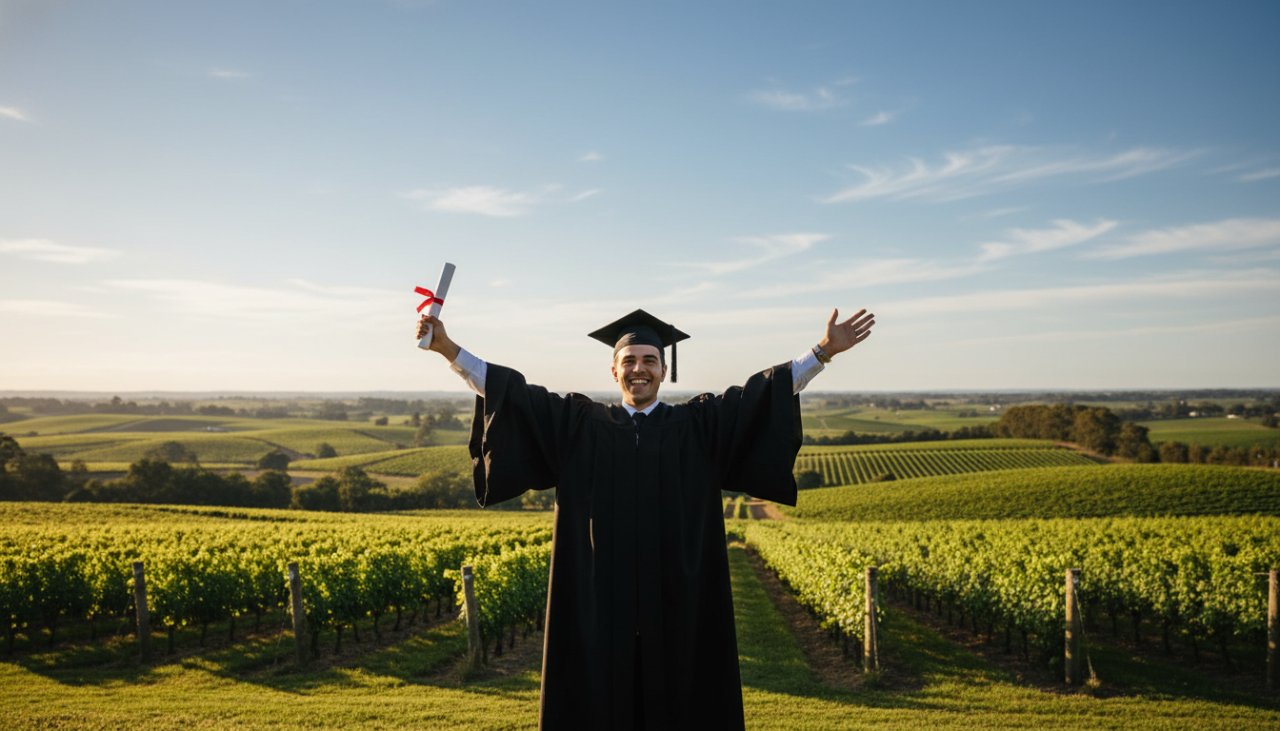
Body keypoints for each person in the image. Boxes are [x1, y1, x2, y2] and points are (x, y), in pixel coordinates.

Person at [417, 307, 874, 730]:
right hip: (598, 600)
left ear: (664, 370)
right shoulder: (579, 424)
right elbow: (509, 394)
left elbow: (764, 392)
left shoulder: (698, 426)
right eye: (630, 360)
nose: (640, 368)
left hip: (681, 600)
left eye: (650, 360)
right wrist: (448, 350)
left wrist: (823, 351)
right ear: (614, 370)